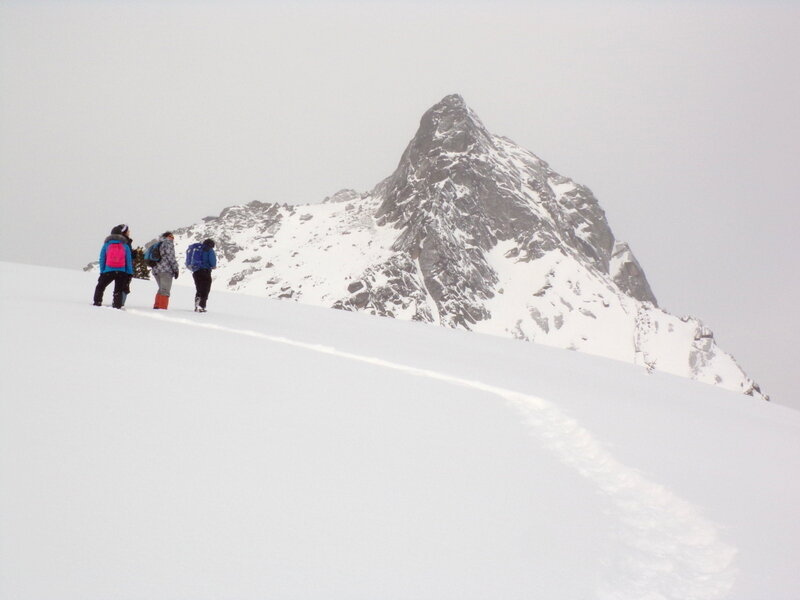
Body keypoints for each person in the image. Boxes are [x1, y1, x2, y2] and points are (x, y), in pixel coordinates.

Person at [93, 224, 133, 309]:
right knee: (118, 290)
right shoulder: (125, 245)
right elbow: (128, 260)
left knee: (100, 287)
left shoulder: (106, 245)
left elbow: (102, 259)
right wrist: (129, 272)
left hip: (108, 270)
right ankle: (117, 305)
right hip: (121, 271)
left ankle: (97, 302)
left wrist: (102, 271)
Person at [186, 239, 217, 312]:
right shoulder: (209, 250)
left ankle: (197, 304)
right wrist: (213, 266)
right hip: (205, 271)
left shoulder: (196, 248)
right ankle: (201, 306)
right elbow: (212, 262)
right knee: (205, 289)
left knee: (199, 289)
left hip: (196, 272)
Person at [151, 231, 180, 309]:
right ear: (168, 237)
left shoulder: (159, 243)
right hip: (165, 270)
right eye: (171, 237)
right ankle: (162, 308)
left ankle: (157, 305)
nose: (172, 238)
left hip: (156, 270)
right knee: (165, 290)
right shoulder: (168, 243)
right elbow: (171, 257)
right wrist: (176, 269)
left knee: (161, 289)